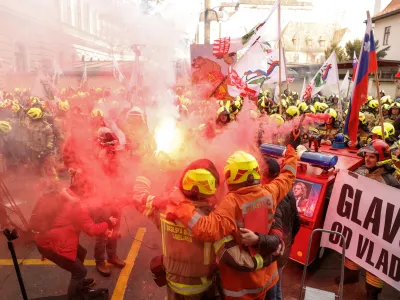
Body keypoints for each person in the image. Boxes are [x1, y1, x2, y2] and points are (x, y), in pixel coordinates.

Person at [168, 141, 298, 299]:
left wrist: (181, 204)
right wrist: (292, 156)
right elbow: (287, 177)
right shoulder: (269, 192)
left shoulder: (231, 203)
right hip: (268, 276)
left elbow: (205, 229)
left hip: (242, 286)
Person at [34, 172, 115, 299]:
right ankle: (75, 296)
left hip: (51, 238)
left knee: (81, 252)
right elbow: (91, 229)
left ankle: (80, 284)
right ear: (84, 191)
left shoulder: (66, 193)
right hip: (52, 244)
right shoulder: (77, 205)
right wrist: (109, 223)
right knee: (80, 271)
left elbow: (83, 219)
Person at [336, 139, 400, 300]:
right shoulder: (361, 171)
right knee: (351, 248)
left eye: (372, 157)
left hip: (378, 229)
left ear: (381, 159)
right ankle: (351, 274)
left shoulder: (391, 182)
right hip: (357, 222)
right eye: (366, 156)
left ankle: (373, 292)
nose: (367, 159)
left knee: (375, 259)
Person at [240, 157, 300, 300]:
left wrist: (256, 240)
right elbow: (297, 221)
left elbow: (275, 238)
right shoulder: (287, 190)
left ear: (265, 175)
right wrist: (290, 241)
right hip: (285, 249)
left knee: (273, 287)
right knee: (277, 283)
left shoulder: (272, 199)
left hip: (276, 253)